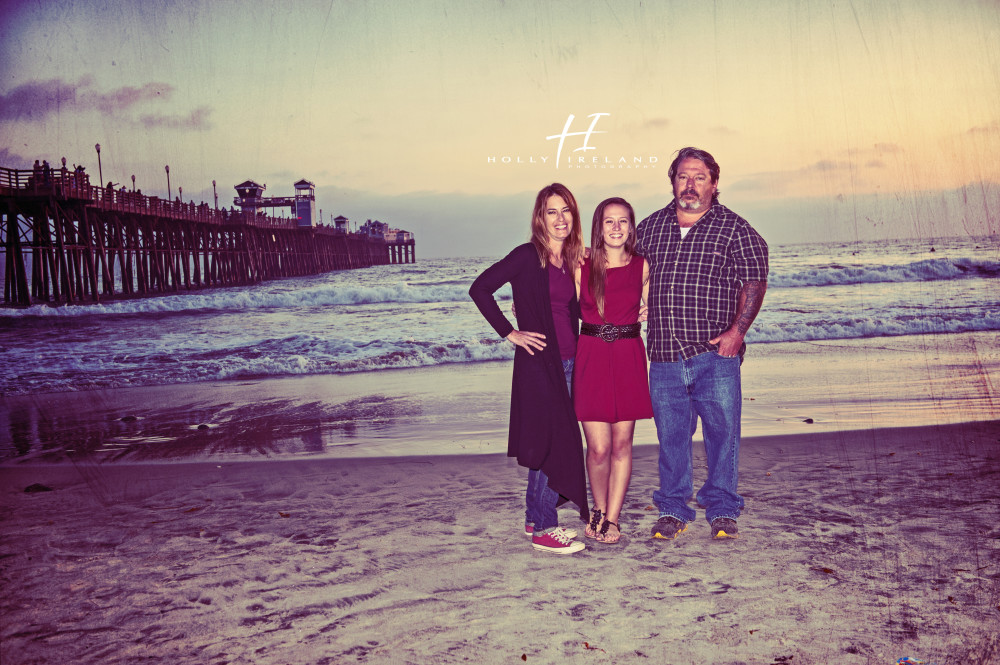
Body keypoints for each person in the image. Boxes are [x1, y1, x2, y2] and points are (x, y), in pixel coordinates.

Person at [636, 147, 768, 541]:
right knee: (672, 437)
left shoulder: (736, 230)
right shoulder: (649, 228)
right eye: (682, 176)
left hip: (715, 355)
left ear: (714, 183)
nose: (689, 185)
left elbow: (754, 283)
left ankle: (723, 508)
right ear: (672, 181)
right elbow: (625, 273)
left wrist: (737, 333)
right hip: (662, 356)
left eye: (698, 177)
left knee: (722, 435)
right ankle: (674, 509)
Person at [469, 183, 589, 554]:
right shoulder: (526, 256)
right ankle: (545, 530)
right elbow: (480, 289)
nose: (560, 218)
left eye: (565, 210)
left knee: (547, 442)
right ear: (540, 217)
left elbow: (584, 309)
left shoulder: (572, 260)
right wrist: (510, 333)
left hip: (571, 362)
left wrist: (636, 310)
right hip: (539, 364)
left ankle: (534, 518)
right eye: (551, 211)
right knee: (555, 443)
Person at [574, 197, 653, 544]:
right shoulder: (582, 263)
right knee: (599, 448)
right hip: (591, 356)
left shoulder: (642, 266)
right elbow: (559, 301)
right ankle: (597, 507)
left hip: (627, 356)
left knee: (622, 444)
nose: (617, 228)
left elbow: (650, 304)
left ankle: (613, 518)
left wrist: (650, 309)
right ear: (599, 226)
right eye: (609, 221)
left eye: (623, 221)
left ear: (631, 227)